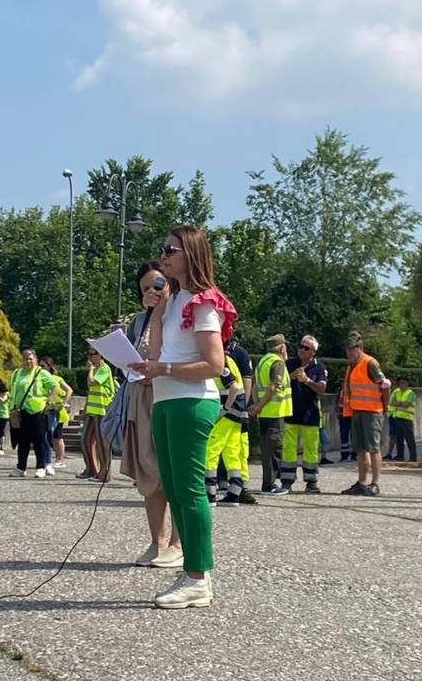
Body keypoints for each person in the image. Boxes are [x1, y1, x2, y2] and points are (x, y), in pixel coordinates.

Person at [129, 225, 236, 610]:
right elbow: (157, 354)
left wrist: (165, 370)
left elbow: (214, 363)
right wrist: (156, 315)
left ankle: (198, 577)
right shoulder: (173, 302)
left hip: (191, 401)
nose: (164, 256)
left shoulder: (203, 302)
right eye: (163, 249)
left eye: (171, 249)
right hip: (165, 400)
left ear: (191, 253)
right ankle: (191, 571)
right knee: (173, 490)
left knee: (189, 492)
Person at [122, 262, 184, 567]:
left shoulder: (179, 314)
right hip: (142, 398)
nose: (151, 292)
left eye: (157, 285)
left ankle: (178, 541)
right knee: (148, 470)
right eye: (145, 288)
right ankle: (156, 541)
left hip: (168, 394)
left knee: (173, 470)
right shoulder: (138, 320)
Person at [340, 333, 390, 497]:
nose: (349, 352)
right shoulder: (351, 365)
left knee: (373, 448)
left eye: (351, 348)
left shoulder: (370, 363)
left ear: (359, 348)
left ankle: (375, 483)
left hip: (372, 411)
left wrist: (385, 406)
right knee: (360, 449)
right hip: (357, 411)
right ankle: (361, 483)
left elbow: (384, 385)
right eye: (347, 349)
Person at [280, 335, 328, 493]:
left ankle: (311, 481)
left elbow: (322, 389)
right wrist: (291, 377)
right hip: (291, 412)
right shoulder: (290, 364)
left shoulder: (319, 367)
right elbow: (278, 383)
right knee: (288, 448)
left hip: (311, 414)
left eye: (306, 348)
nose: (301, 350)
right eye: (301, 346)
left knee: (311, 449)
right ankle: (287, 481)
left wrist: (307, 380)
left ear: (313, 352)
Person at [205, 351, 250, 506]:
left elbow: (234, 387)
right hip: (238, 414)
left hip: (227, 414)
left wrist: (224, 408)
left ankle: (209, 492)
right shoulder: (228, 360)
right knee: (232, 453)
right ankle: (234, 492)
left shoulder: (219, 359)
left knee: (210, 449)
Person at [249, 334, 292, 496]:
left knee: (267, 450)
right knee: (274, 450)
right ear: (282, 348)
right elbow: (274, 387)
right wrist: (259, 405)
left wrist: (256, 405)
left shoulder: (263, 362)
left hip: (265, 413)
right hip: (274, 412)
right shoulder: (278, 362)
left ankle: (268, 483)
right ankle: (270, 485)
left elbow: (255, 386)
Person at [8, 349, 59, 478]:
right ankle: (21, 467)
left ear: (35, 360)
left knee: (39, 440)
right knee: (22, 440)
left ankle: (41, 466)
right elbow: (12, 390)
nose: (28, 361)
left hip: (37, 411)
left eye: (30, 358)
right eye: (25, 358)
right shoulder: (17, 373)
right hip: (20, 411)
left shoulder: (41, 373)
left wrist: (49, 402)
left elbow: (55, 386)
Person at [79, 349, 115, 481]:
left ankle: (104, 473)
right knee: (85, 440)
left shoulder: (105, 369)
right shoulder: (95, 369)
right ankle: (91, 469)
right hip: (92, 409)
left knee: (101, 442)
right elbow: (91, 390)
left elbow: (91, 383)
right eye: (89, 354)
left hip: (102, 409)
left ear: (101, 355)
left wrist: (90, 370)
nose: (90, 357)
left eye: (93, 354)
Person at [41, 357, 73, 469]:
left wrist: (64, 403)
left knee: (57, 436)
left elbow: (69, 390)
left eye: (43, 366)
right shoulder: (40, 378)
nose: (41, 368)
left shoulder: (57, 378)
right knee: (48, 436)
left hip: (57, 411)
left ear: (49, 366)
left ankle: (60, 459)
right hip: (46, 410)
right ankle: (51, 458)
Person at [388, 376, 417, 462]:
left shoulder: (410, 393)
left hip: (407, 419)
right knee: (399, 439)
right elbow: (392, 403)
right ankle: (400, 456)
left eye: (404, 382)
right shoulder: (397, 392)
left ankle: (413, 457)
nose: (402, 384)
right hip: (398, 418)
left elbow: (406, 404)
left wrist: (398, 403)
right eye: (400, 383)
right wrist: (401, 403)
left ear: (407, 384)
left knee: (410, 439)